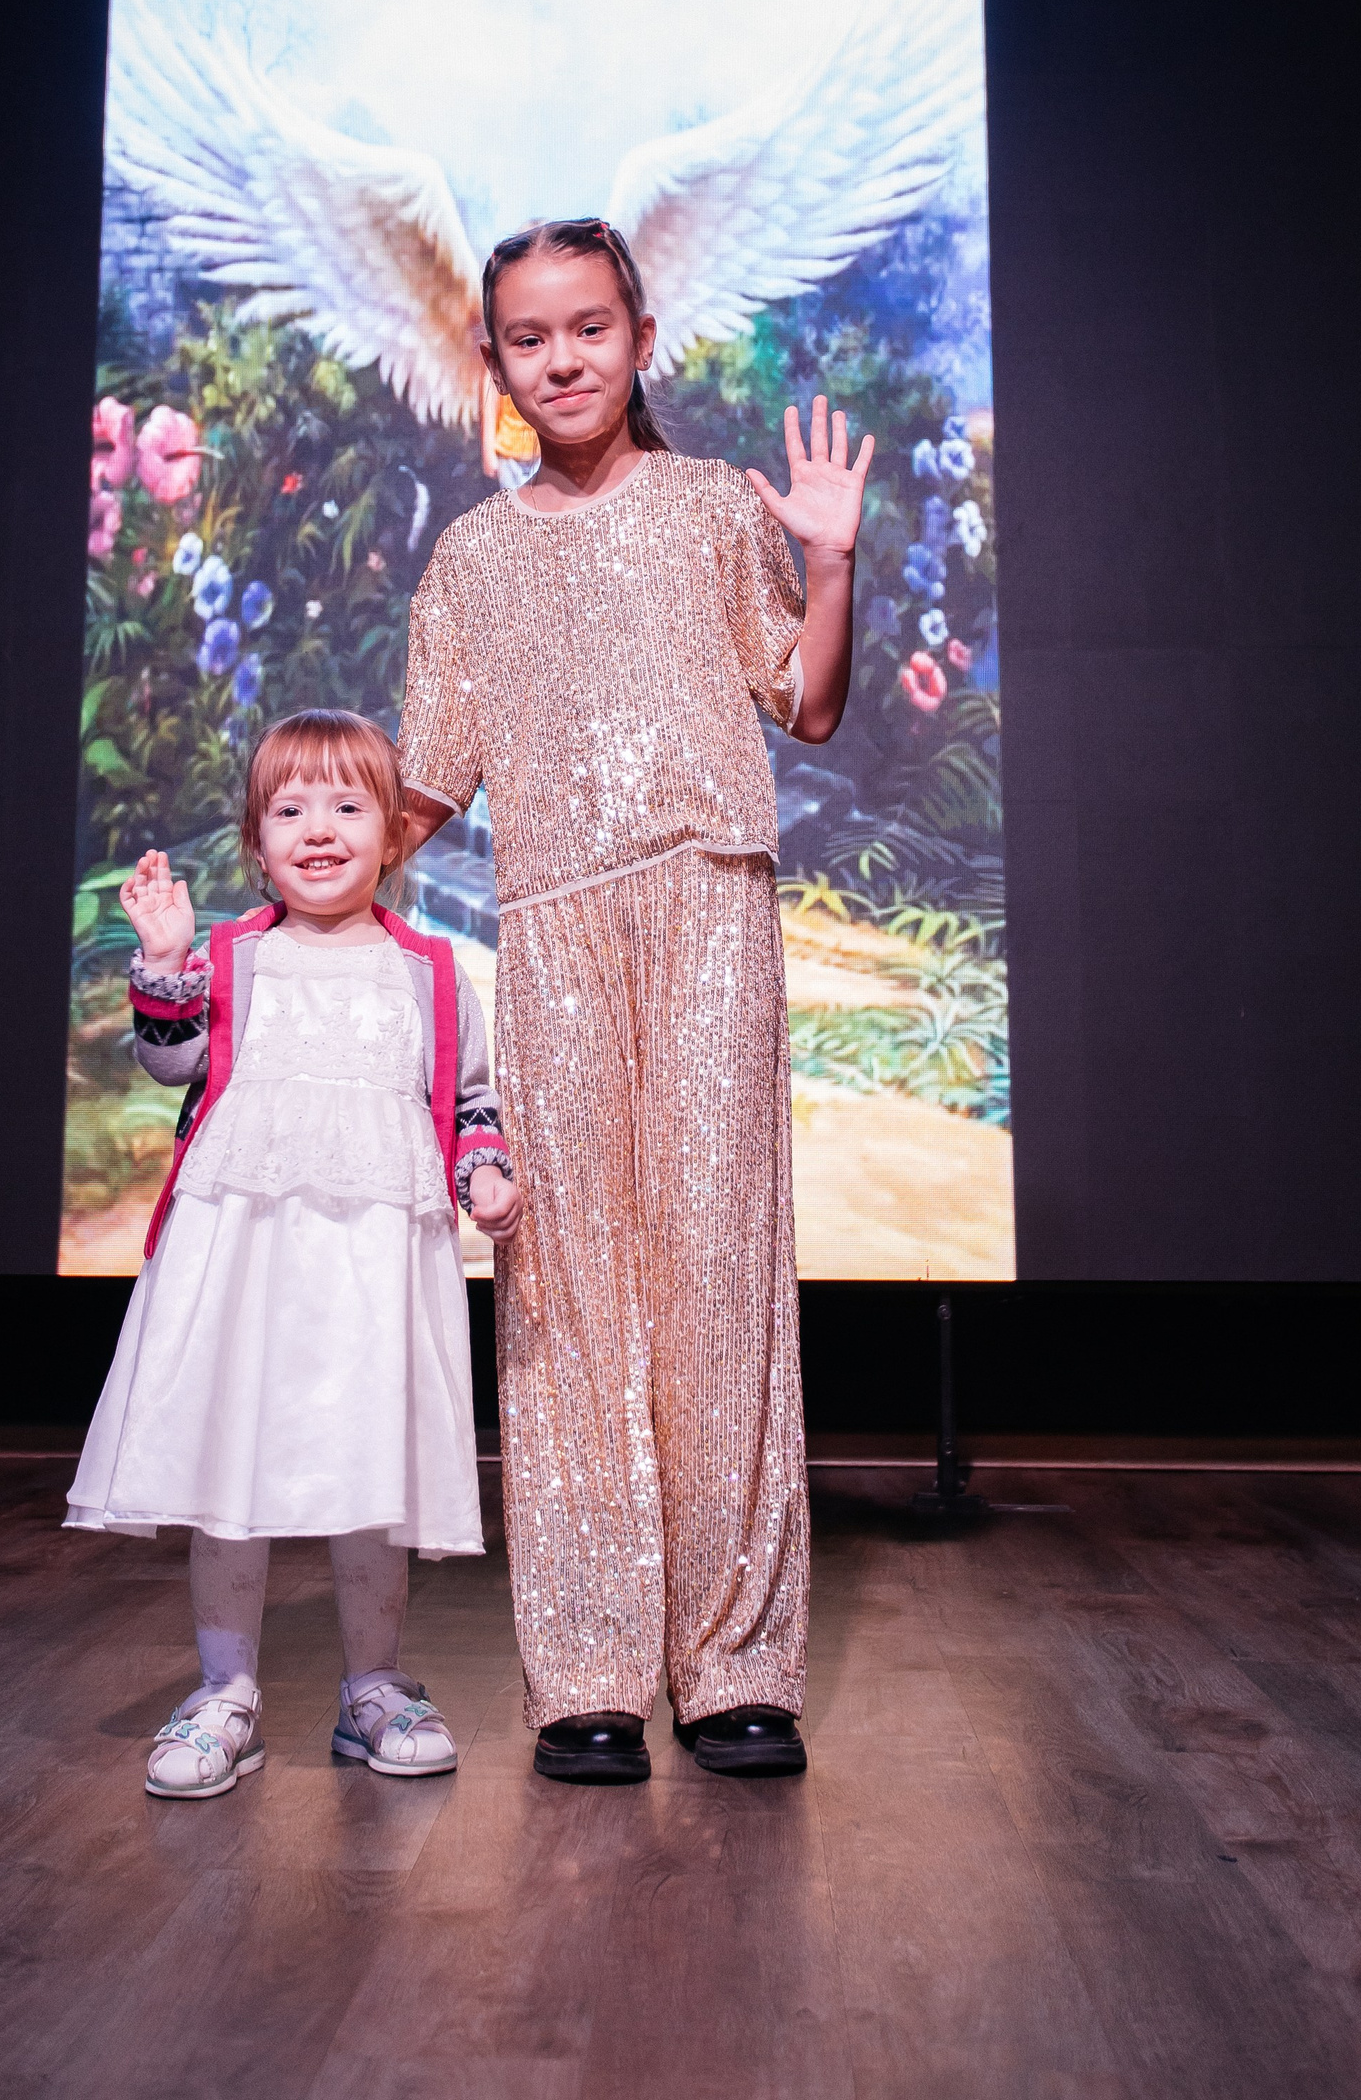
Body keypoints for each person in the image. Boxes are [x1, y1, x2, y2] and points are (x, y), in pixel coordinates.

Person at [395, 217, 871, 1782]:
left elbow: (807, 704)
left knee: (721, 1279)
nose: (563, 361)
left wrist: (829, 560)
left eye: (588, 328)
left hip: (710, 912)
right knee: (567, 1289)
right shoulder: (472, 559)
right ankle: (588, 1667)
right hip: (556, 933)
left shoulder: (709, 510)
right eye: (529, 339)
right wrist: (302, 872)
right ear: (495, 362)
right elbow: (425, 782)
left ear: (640, 336)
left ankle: (736, 1667)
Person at [65, 709, 523, 1799]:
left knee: (369, 1471)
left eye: (348, 806)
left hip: (374, 1275)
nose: (319, 830)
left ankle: (376, 1688)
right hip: (245, 1268)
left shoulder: (430, 972)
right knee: (233, 1466)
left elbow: (470, 1103)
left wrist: (485, 1175)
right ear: (258, 841)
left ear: (394, 834)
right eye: (290, 810)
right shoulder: (234, 957)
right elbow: (168, 1059)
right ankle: (225, 1694)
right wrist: (164, 959)